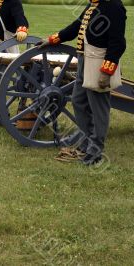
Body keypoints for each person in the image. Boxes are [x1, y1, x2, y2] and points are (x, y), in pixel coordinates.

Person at [40, 0, 127, 165]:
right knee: (79, 101)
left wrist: (107, 70)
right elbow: (76, 27)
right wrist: (54, 39)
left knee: (98, 108)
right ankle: (85, 144)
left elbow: (118, 42)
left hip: (99, 62)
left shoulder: (114, 5)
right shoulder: (94, 4)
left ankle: (95, 152)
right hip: (84, 59)